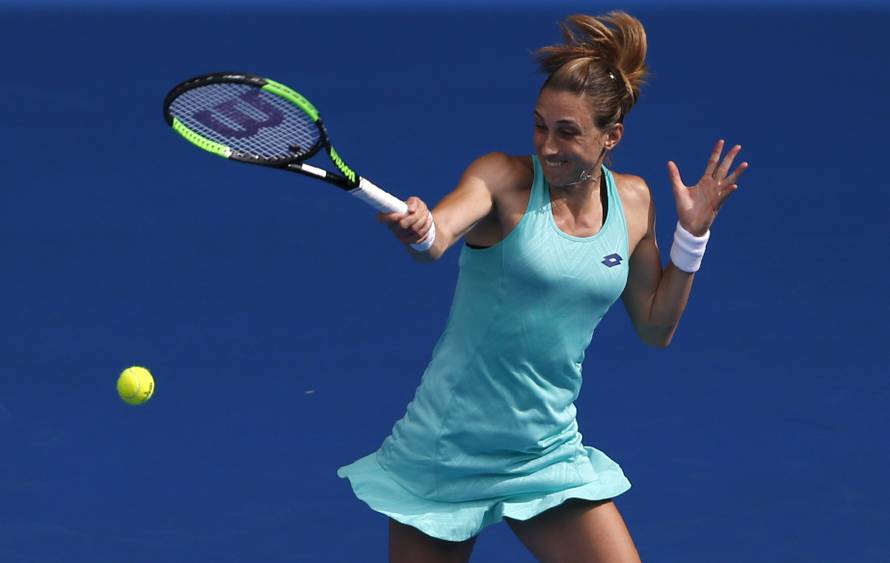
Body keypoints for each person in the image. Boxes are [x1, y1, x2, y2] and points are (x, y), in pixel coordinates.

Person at [337, 11, 748, 563]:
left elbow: (655, 327)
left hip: (543, 451)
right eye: (540, 126)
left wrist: (692, 238)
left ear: (611, 137)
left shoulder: (633, 202)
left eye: (568, 132)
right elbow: (437, 238)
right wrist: (421, 225)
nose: (548, 146)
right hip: (448, 448)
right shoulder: (502, 179)